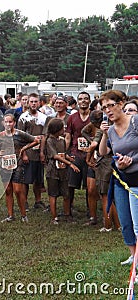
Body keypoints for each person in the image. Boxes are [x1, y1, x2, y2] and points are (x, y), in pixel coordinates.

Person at [99, 90, 138, 265]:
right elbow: (104, 152)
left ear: (121, 104)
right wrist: (121, 163)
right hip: (124, 180)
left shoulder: (135, 122)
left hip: (136, 179)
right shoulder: (112, 131)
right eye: (104, 107)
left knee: (137, 226)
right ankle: (134, 258)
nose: (107, 110)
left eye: (110, 105)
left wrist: (132, 160)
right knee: (127, 222)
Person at [0, 114, 39, 223]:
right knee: (8, 190)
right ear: (3, 123)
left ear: (14, 123)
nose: (8, 124)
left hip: (18, 164)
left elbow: (35, 141)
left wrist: (24, 149)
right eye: (6, 122)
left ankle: (23, 214)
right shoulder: (0, 135)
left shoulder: (20, 134)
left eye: (10, 122)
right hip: (4, 166)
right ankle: (10, 215)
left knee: (18, 190)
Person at [65, 92, 95, 223]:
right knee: (71, 184)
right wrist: (65, 152)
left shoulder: (95, 116)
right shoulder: (72, 117)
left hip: (91, 155)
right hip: (75, 154)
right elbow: (68, 136)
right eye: (81, 99)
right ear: (77, 102)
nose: (83, 101)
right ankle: (68, 210)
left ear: (90, 101)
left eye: (86, 99)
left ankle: (91, 211)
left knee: (90, 186)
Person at [45, 118, 80, 224]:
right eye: (62, 127)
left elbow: (63, 153)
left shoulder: (62, 140)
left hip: (63, 170)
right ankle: (54, 217)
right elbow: (55, 155)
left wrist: (69, 158)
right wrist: (70, 163)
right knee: (53, 194)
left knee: (66, 193)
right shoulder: (49, 141)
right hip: (53, 171)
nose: (64, 128)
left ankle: (67, 214)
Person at [17, 93, 47, 209]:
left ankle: (38, 201)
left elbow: (44, 136)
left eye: (36, 101)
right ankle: (24, 202)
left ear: (39, 103)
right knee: (25, 180)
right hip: (27, 152)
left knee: (38, 179)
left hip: (39, 151)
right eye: (31, 101)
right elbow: (19, 137)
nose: (34, 104)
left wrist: (42, 152)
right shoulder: (23, 118)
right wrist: (23, 153)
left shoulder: (43, 118)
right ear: (27, 103)